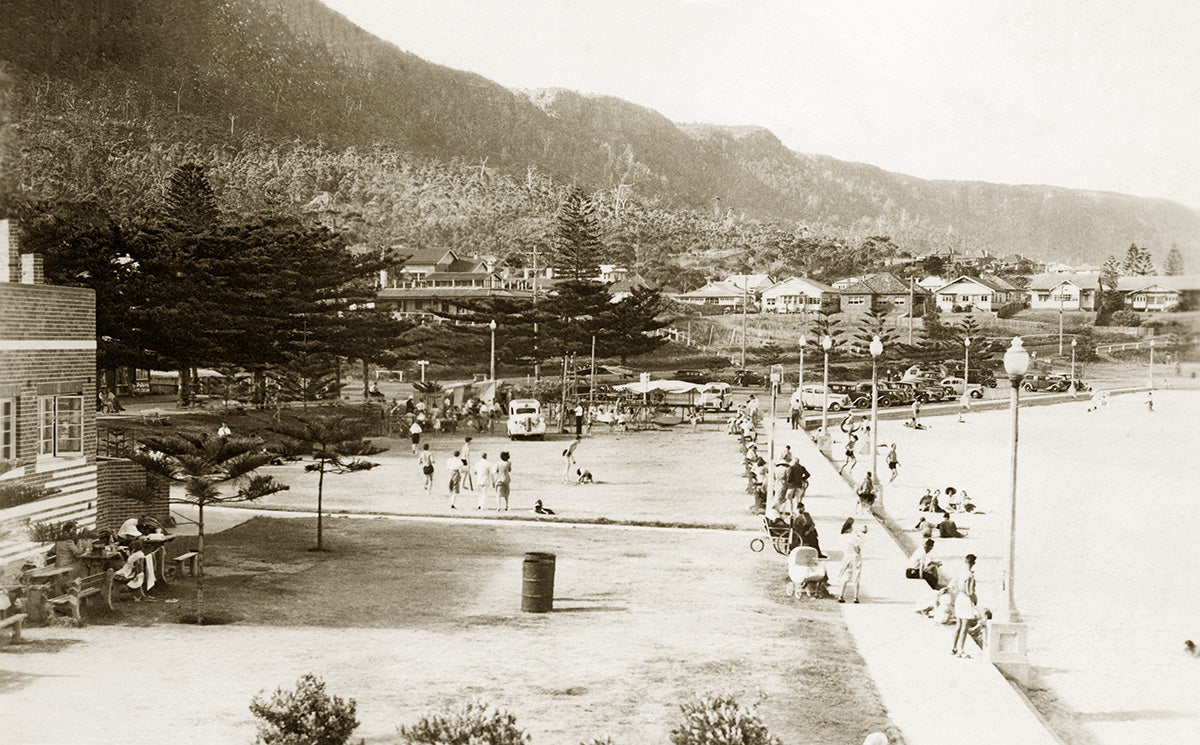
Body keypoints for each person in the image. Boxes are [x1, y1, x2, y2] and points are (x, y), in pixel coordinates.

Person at [952, 554, 979, 657]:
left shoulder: (960, 573)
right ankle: (961, 650)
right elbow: (970, 592)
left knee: (958, 625)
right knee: (964, 627)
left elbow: (955, 586)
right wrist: (975, 600)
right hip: (966, 600)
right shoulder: (970, 576)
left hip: (959, 598)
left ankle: (953, 647)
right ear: (973, 563)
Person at [838, 520, 867, 603]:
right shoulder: (853, 537)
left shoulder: (841, 537)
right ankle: (855, 597)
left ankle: (841, 595)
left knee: (846, 576)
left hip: (846, 557)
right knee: (856, 577)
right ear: (849, 528)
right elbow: (857, 549)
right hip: (855, 557)